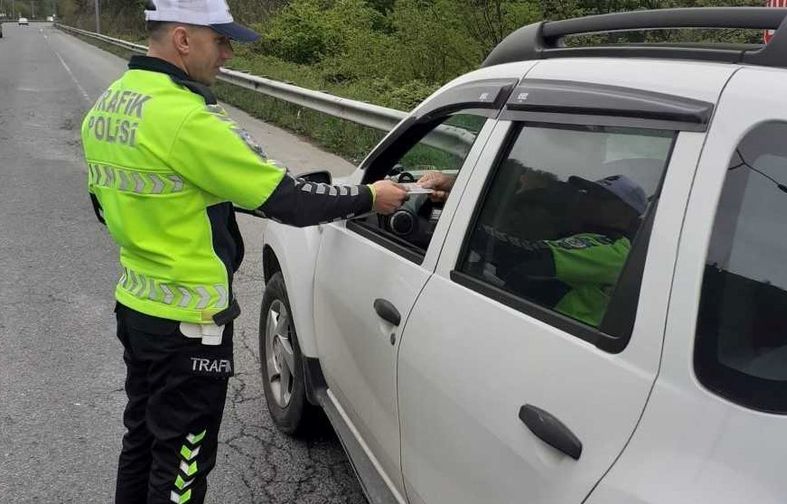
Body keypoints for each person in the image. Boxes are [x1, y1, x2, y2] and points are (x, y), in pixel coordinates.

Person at [81, 1, 407, 503]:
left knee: (142, 440)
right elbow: (287, 198)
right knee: (182, 464)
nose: (229, 54)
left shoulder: (110, 105)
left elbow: (109, 204)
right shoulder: (188, 118)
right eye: (222, 41)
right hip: (190, 322)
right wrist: (370, 197)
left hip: (138, 307)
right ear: (184, 39)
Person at [420, 171, 646, 327]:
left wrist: (462, 224)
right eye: (589, 194)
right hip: (537, 321)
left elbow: (524, 256)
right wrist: (445, 204)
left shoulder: (614, 250)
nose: (588, 200)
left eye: (601, 198)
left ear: (626, 214)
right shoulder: (579, 233)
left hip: (561, 333)